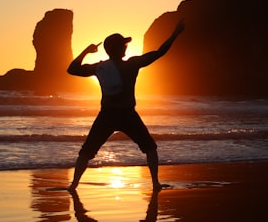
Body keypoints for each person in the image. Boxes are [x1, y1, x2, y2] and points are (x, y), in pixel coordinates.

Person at [67, 20, 185, 192]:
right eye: (124, 44)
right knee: (150, 147)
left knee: (87, 151)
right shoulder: (132, 64)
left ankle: (73, 185)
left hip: (106, 115)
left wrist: (86, 50)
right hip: (128, 114)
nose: (126, 47)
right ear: (120, 48)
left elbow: (72, 69)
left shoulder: (100, 67)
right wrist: (175, 33)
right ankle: (155, 183)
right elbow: (160, 52)